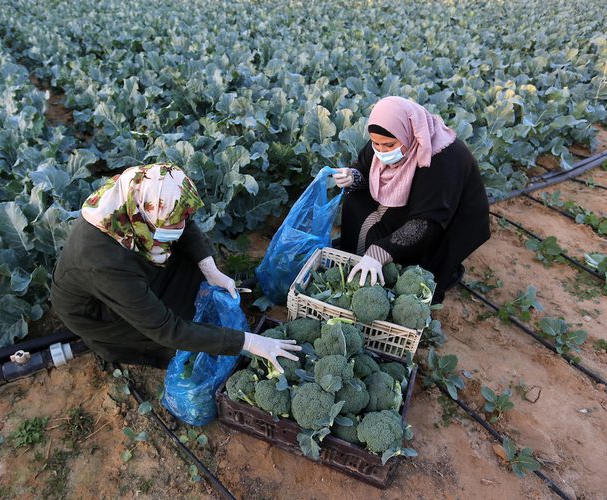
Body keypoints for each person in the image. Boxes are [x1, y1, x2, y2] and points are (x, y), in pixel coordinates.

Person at [50, 163, 300, 370]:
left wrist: (210, 268)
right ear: (145, 216)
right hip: (100, 309)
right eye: (172, 224)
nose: (180, 227)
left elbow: (182, 221)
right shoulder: (101, 261)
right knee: (173, 340)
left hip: (133, 271)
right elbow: (166, 329)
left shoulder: (143, 192)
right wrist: (249, 343)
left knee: (190, 272)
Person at [332, 96, 490, 303]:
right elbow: (364, 168)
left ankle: (408, 271)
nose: (381, 152)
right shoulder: (385, 138)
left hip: (448, 216)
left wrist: (380, 251)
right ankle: (356, 259)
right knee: (356, 203)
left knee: (421, 271)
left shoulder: (441, 161)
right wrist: (353, 176)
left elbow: (426, 222)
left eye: (388, 146)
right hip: (412, 202)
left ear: (409, 134)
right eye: (376, 144)